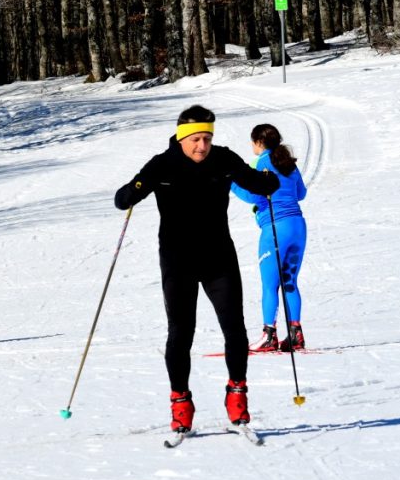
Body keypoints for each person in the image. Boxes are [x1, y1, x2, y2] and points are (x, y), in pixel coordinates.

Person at [114, 105, 279, 434]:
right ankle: (181, 404)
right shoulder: (163, 164)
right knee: (180, 333)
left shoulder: (224, 159)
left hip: (219, 257)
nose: (202, 146)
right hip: (178, 261)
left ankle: (237, 398)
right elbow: (123, 198)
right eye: (196, 139)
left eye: (207, 138)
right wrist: (131, 193)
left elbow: (259, 184)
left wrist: (270, 178)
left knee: (235, 330)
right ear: (182, 138)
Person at [231, 124, 308, 352]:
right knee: (290, 282)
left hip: (276, 228)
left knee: (270, 284)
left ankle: (269, 336)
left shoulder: (261, 163)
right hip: (298, 226)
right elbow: (301, 193)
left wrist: (232, 184)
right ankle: (295, 334)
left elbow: (253, 195)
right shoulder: (288, 163)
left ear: (258, 142)